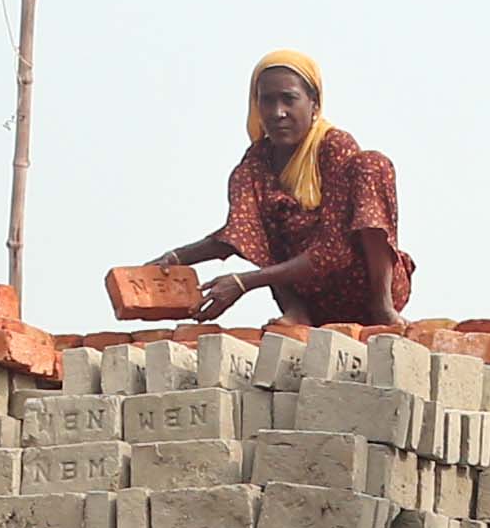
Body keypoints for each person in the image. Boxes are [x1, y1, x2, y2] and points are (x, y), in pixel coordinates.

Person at [158, 51, 414, 327]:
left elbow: (334, 250)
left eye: (289, 99)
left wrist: (244, 283)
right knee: (261, 213)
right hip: (312, 296)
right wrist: (174, 259)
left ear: (313, 103)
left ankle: (382, 303)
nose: (277, 112)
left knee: (372, 164)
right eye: (266, 101)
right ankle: (296, 311)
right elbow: (240, 233)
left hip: (357, 281)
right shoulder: (256, 163)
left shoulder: (334, 148)